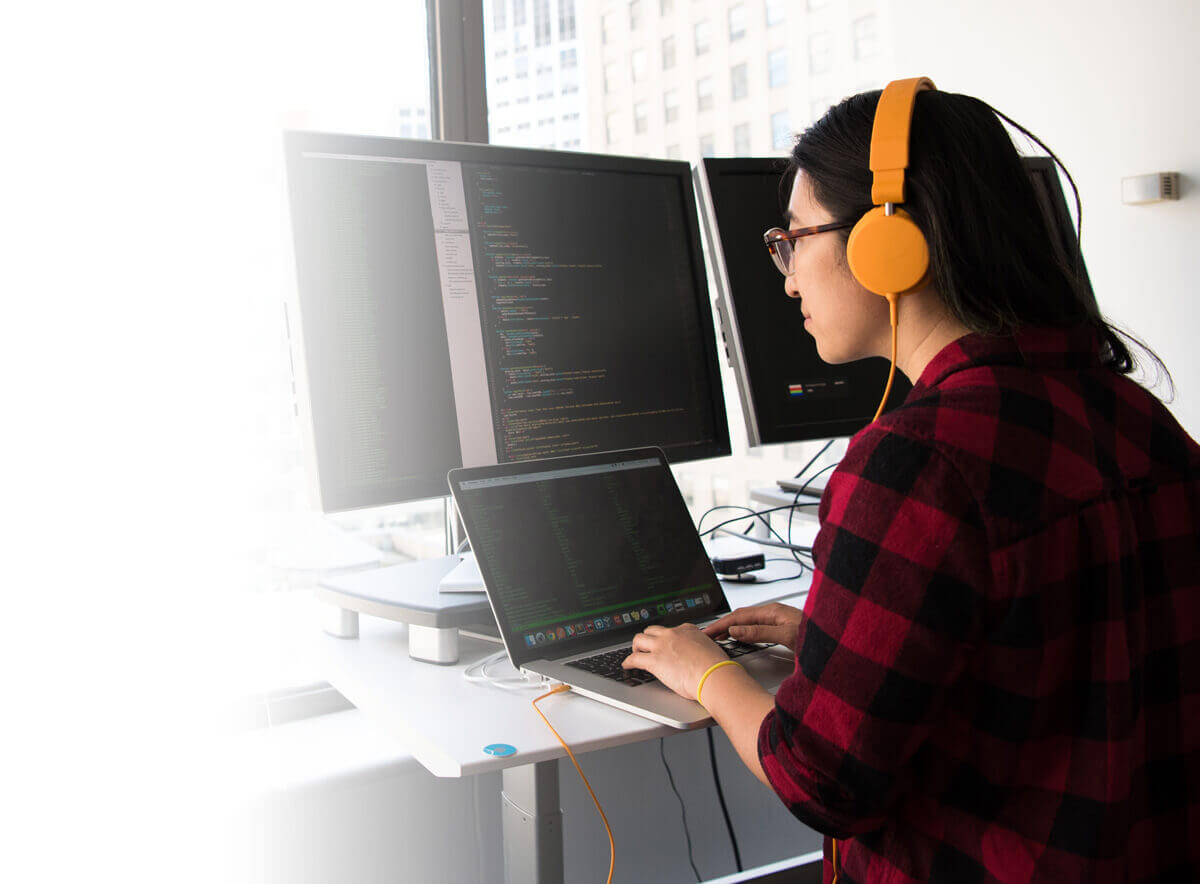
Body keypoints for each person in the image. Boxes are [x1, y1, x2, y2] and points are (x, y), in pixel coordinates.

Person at [623, 81, 1200, 882]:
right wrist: (835, 638)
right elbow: (1065, 650)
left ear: (887, 245)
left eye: (793, 240)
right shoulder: (1141, 416)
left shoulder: (917, 463)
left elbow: (821, 779)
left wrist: (705, 672)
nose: (787, 279)